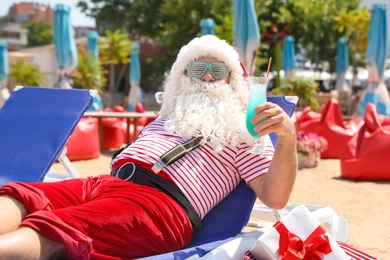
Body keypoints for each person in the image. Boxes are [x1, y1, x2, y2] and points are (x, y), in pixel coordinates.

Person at [0, 35, 297, 259]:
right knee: (24, 195)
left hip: (158, 205)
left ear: (234, 82)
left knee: (54, 229)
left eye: (218, 71)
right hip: (104, 184)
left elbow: (275, 197)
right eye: (199, 69)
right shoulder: (168, 116)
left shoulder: (246, 131)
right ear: (183, 77)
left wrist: (287, 138)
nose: (207, 76)